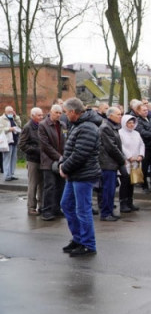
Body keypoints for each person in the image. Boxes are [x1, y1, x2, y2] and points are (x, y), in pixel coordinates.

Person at [59, 98, 102, 257]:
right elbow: (70, 151)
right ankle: (78, 239)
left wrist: (64, 167)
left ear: (72, 112)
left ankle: (88, 244)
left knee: (82, 210)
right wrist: (63, 164)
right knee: (67, 205)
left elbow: (80, 154)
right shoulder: (78, 125)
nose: (65, 115)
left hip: (84, 174)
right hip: (75, 174)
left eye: (65, 112)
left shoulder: (88, 127)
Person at [39, 104, 67, 221]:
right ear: (51, 112)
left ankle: (56, 208)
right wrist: (58, 156)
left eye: (60, 113)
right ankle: (47, 210)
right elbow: (45, 145)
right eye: (56, 112)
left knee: (61, 185)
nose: (58, 115)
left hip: (61, 159)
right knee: (49, 186)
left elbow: (66, 140)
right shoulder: (43, 125)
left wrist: (64, 156)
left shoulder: (63, 125)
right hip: (48, 160)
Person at [98, 107, 126, 221]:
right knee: (107, 190)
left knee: (111, 190)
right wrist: (122, 159)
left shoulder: (112, 127)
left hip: (112, 163)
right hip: (107, 163)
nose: (120, 116)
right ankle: (105, 213)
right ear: (110, 116)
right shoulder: (105, 128)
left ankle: (109, 211)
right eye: (118, 114)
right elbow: (111, 147)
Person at [18, 107, 45, 215]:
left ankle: (42, 206)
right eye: (39, 115)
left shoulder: (41, 126)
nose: (41, 117)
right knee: (33, 184)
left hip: (42, 159)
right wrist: (36, 150)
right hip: (33, 160)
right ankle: (31, 207)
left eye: (42, 115)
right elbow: (22, 145)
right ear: (33, 116)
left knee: (42, 184)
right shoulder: (28, 127)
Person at [119, 114, 145, 213]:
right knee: (125, 183)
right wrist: (129, 156)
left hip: (136, 162)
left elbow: (142, 144)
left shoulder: (136, 133)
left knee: (132, 183)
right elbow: (121, 146)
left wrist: (141, 155)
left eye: (132, 122)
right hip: (126, 161)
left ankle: (130, 202)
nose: (131, 125)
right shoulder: (120, 133)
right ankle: (123, 203)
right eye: (129, 123)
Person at [134, 103, 151, 193]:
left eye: (146, 110)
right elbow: (142, 132)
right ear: (138, 112)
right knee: (144, 168)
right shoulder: (138, 121)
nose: (146, 112)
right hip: (145, 147)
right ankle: (144, 186)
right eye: (143, 110)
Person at [0, 106, 22, 181]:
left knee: (13, 158)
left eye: (12, 112)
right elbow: (1, 129)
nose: (10, 113)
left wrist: (16, 117)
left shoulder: (13, 118)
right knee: (7, 158)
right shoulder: (1, 119)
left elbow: (19, 124)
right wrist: (10, 129)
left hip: (14, 140)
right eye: (9, 112)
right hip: (7, 142)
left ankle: (12, 174)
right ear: (5, 112)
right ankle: (7, 175)